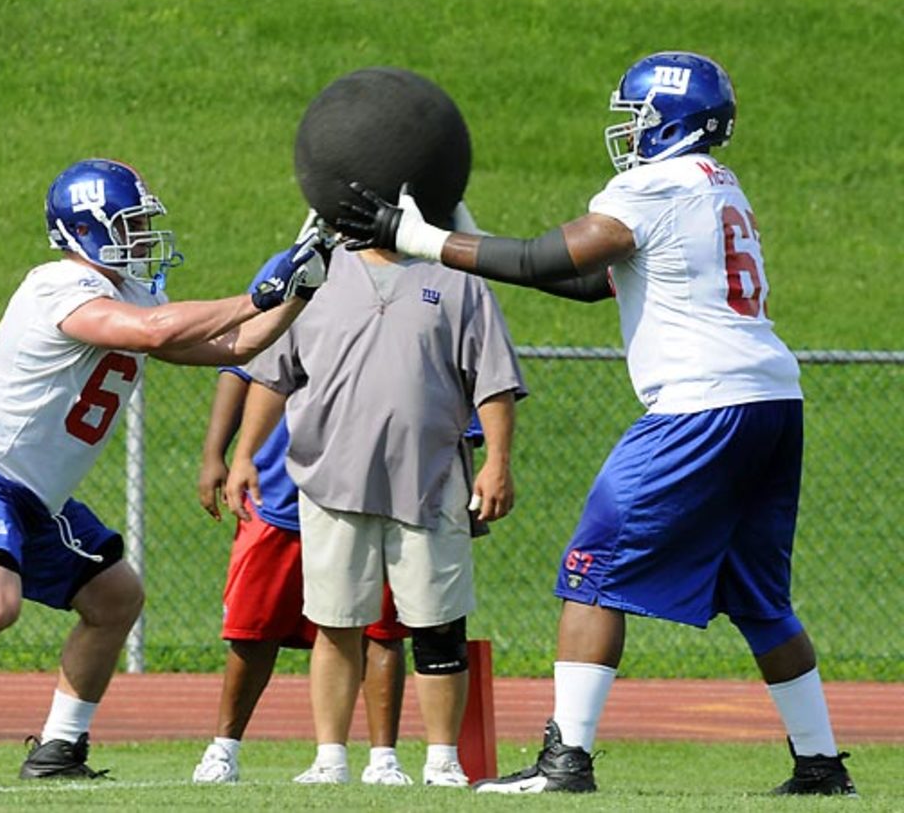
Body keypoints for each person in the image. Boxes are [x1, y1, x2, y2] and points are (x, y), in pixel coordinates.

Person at [338, 50, 856, 797]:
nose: (629, 130)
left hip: (699, 404)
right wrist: (463, 228)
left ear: (670, 121)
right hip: (770, 398)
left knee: (590, 569)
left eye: (639, 115)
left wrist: (415, 237)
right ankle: (820, 763)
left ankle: (565, 760)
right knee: (760, 595)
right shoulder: (712, 185)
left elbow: (549, 253)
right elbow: (584, 280)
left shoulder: (653, 186)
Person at [0, 158, 329, 781]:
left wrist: (299, 292)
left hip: (33, 492)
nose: (144, 237)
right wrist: (255, 294)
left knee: (116, 597)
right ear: (85, 231)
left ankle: (59, 748)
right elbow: (149, 333)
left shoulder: (137, 292)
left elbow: (237, 345)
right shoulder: (56, 285)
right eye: (131, 224)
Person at [224, 233, 527, 787]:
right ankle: (330, 759)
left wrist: (497, 463)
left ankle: (442, 762)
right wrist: (243, 453)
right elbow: (272, 375)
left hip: (431, 480)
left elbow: (494, 382)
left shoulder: (457, 278)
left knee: (438, 626)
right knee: (336, 624)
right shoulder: (314, 277)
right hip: (332, 483)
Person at [191, 252, 411, 786]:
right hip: (281, 484)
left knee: (381, 628)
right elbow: (243, 362)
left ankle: (384, 758)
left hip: (372, 484)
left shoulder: (416, 272)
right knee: (253, 627)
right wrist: (216, 453)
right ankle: (224, 748)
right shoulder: (299, 265)